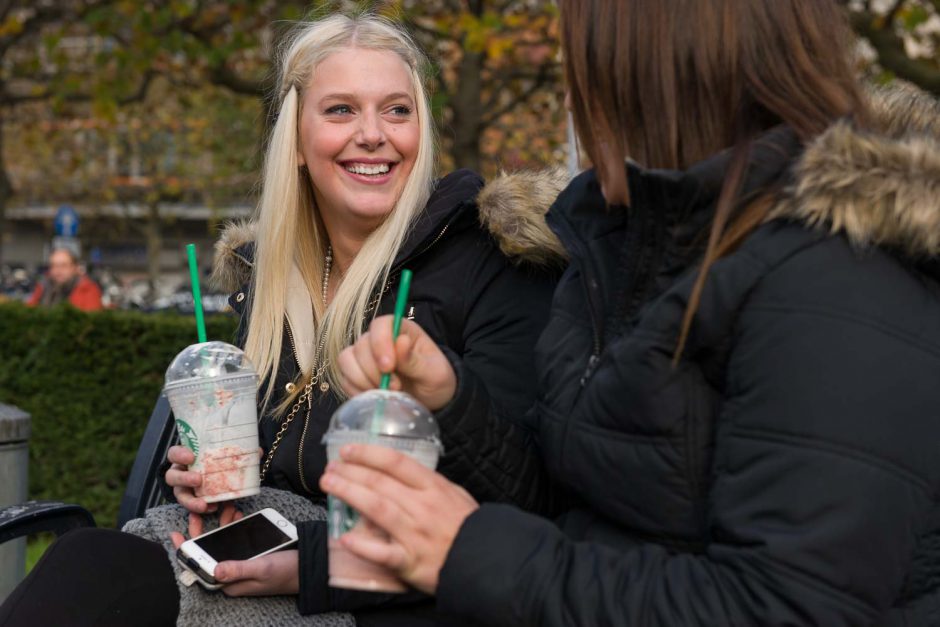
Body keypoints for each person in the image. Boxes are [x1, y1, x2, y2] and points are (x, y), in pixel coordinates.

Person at [322, 1, 940, 625]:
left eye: (585, 72)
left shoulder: (837, 284)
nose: (572, 102)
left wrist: (471, 549)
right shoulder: (619, 241)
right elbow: (572, 500)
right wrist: (452, 403)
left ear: (653, 80)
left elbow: (787, 605)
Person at [0, 12, 562, 627]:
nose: (374, 134)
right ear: (295, 139)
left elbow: (528, 503)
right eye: (341, 110)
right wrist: (209, 478)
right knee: (91, 563)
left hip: (394, 599)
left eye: (397, 110)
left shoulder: (492, 265)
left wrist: (447, 399)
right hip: (266, 560)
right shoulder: (272, 282)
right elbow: (268, 467)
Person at [27, 247, 103, 311]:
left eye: (64, 265)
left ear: (74, 267)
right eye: (54, 266)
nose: (58, 270)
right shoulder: (42, 287)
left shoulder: (87, 290)